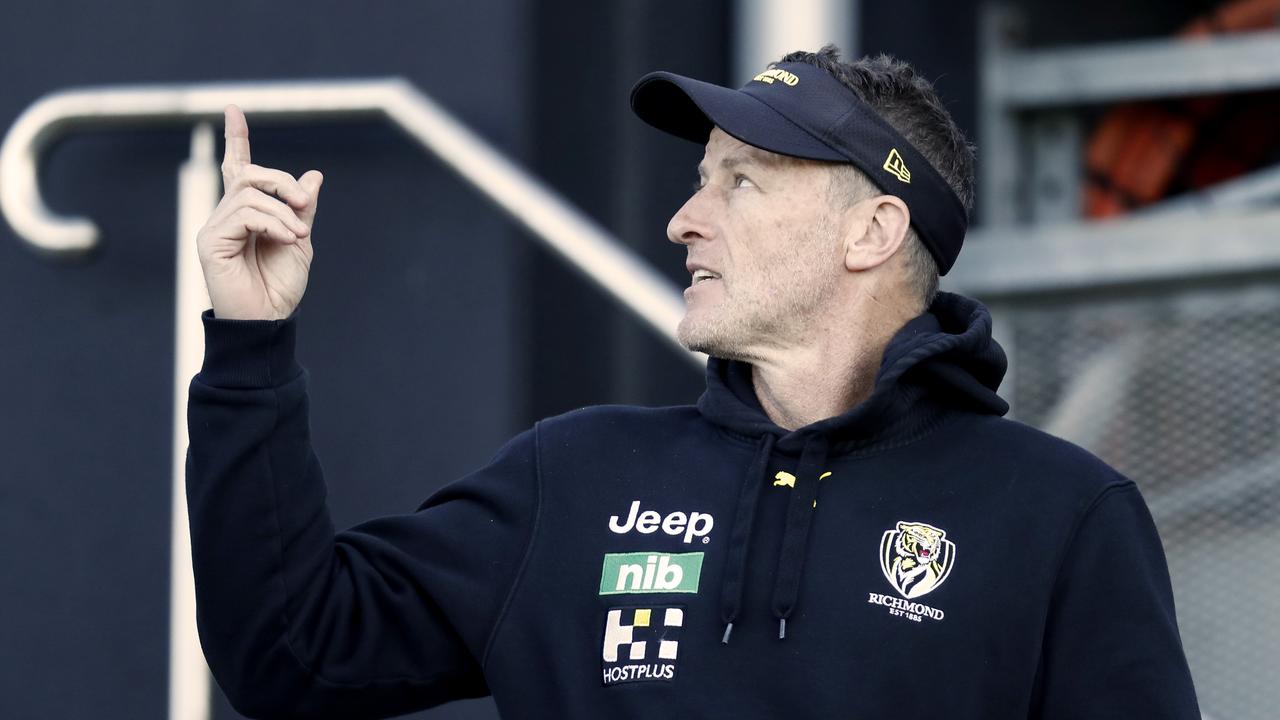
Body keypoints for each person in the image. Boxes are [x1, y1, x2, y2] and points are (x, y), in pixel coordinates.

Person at [187, 46, 1200, 719]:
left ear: (872, 231)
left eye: (739, 181)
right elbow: (288, 650)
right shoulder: (573, 479)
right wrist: (248, 337)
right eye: (696, 177)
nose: (682, 219)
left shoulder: (1059, 515)